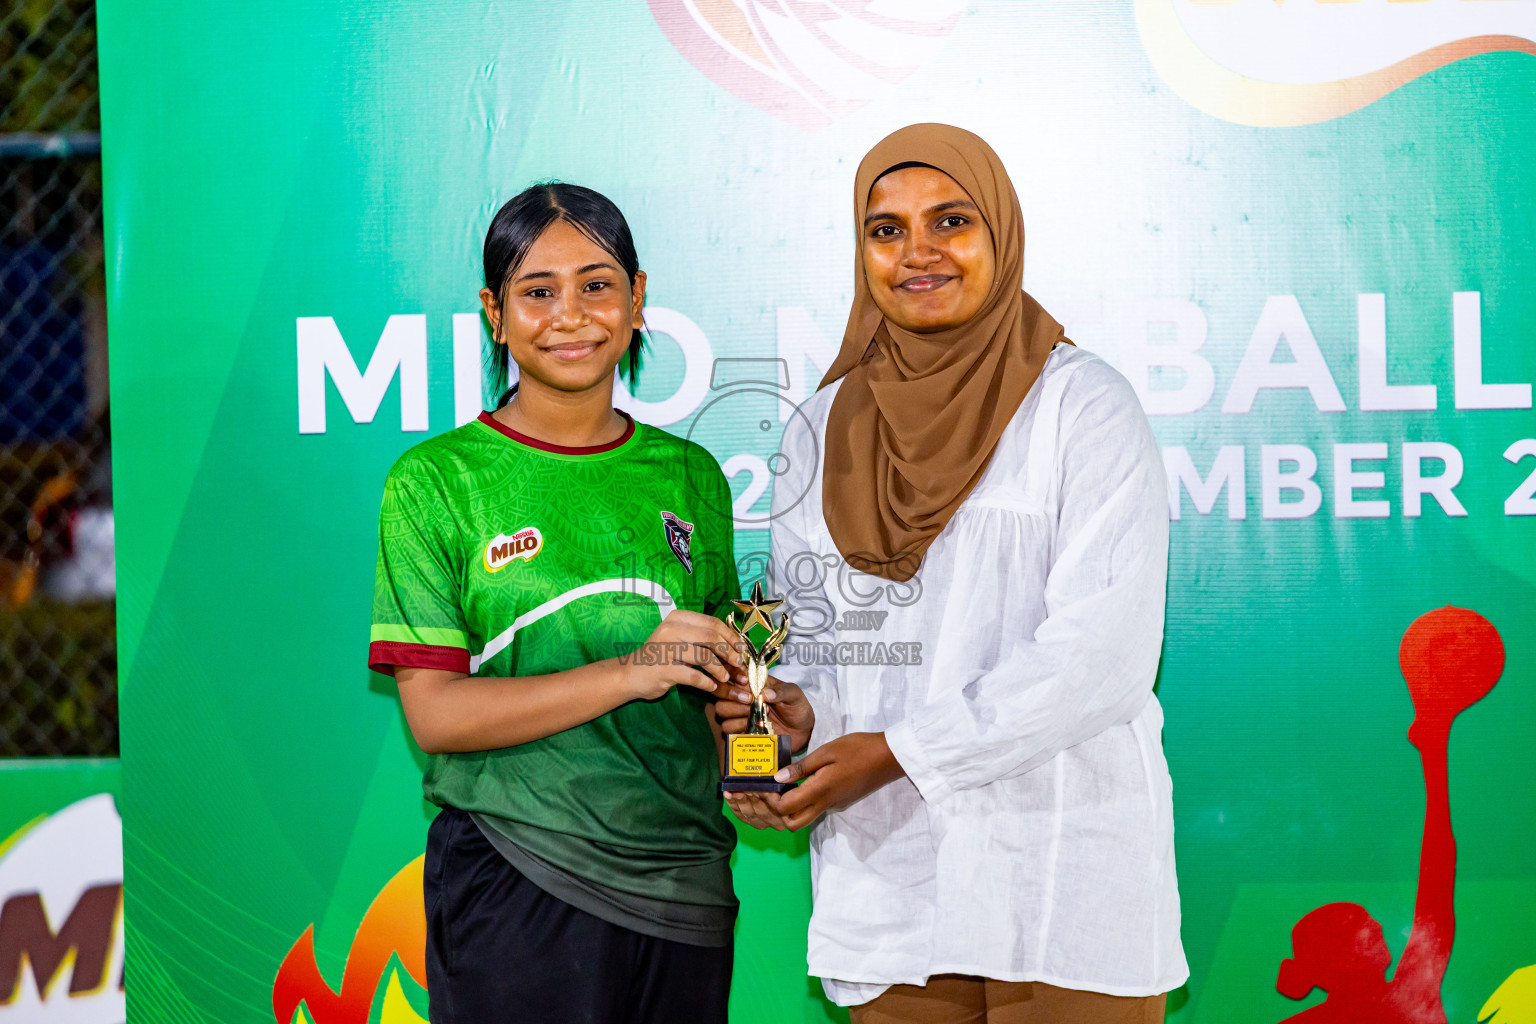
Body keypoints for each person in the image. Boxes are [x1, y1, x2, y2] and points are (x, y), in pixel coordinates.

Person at [720, 124, 1187, 1023]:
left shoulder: (1081, 406)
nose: (917, 252)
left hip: (1059, 876)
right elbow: (815, 643)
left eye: (951, 220)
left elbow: (1103, 656)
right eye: (886, 230)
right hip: (889, 886)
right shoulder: (820, 429)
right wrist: (787, 721)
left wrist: (899, 753)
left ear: (1000, 235)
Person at [368, 182, 744, 1024]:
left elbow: (717, 683)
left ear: (638, 300)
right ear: (494, 313)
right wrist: (629, 671)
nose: (570, 314)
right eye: (538, 291)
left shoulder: (693, 478)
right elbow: (437, 717)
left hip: (684, 882)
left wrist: (758, 717)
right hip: (516, 877)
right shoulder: (437, 483)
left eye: (597, 284)